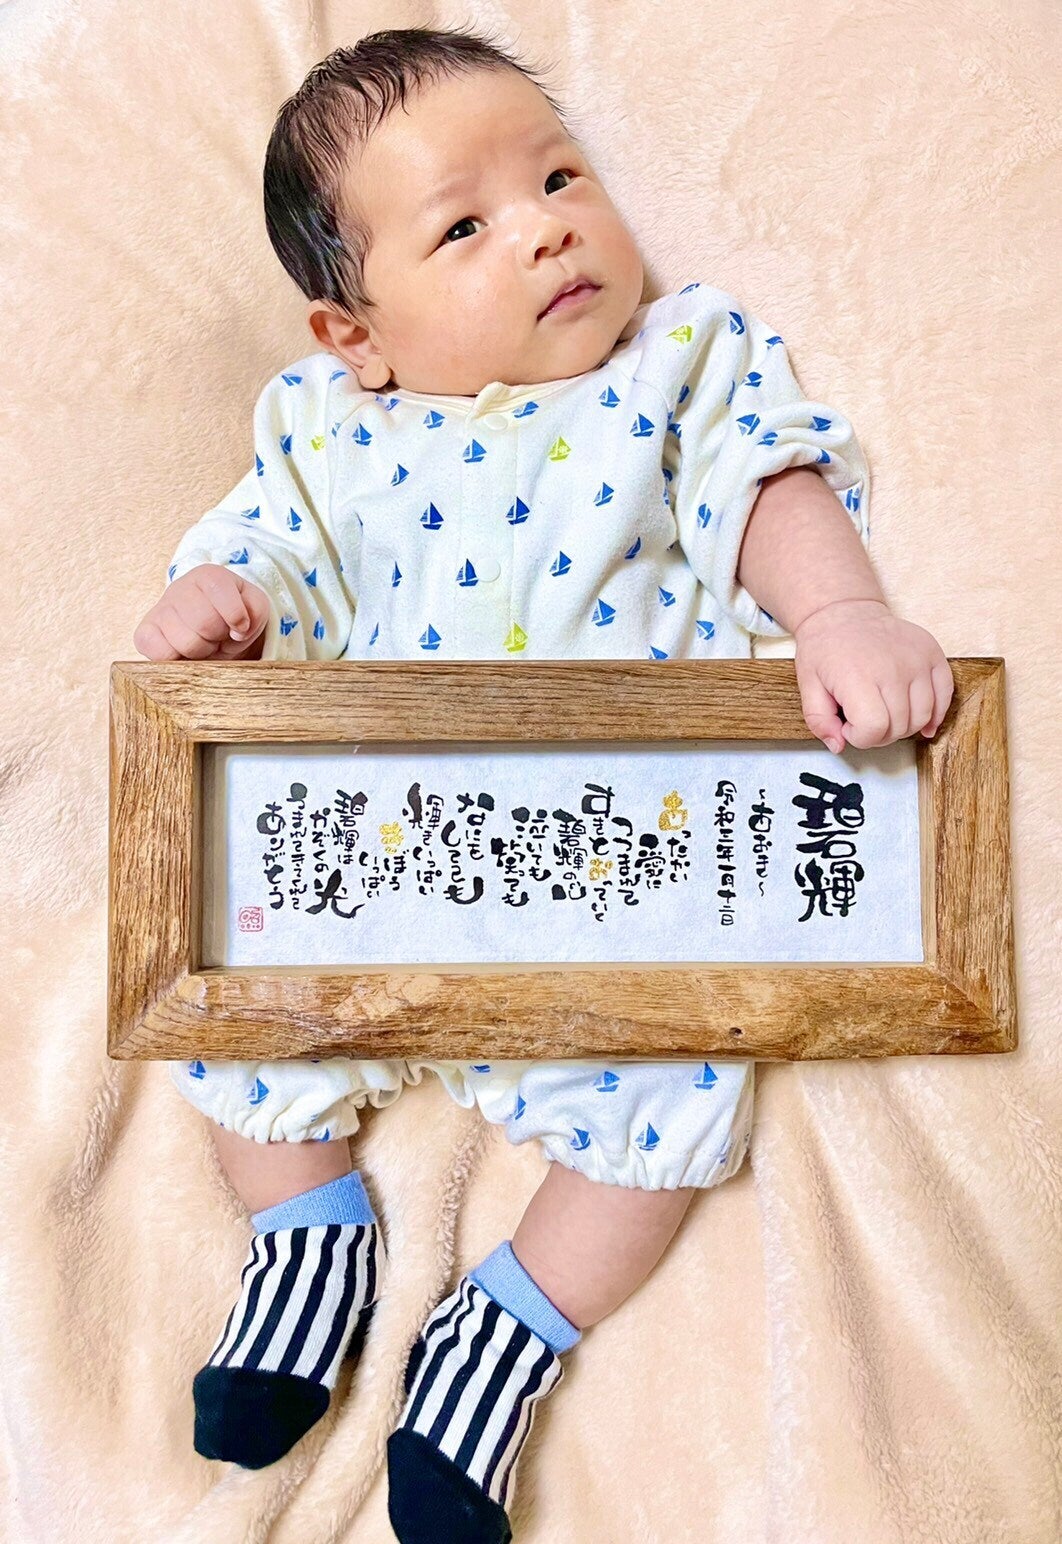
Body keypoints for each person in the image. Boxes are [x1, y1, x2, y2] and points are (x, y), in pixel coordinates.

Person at [133, 25, 954, 1543]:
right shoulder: (324, 429)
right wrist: (221, 604)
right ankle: (306, 1236)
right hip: (387, 857)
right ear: (356, 336)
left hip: (615, 873)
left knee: (675, 1105)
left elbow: (763, 485)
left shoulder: (677, 365)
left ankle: (504, 1328)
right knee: (230, 1020)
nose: (546, 229)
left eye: (560, 178)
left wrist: (840, 614)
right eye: (464, 227)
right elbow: (266, 551)